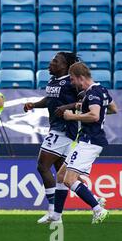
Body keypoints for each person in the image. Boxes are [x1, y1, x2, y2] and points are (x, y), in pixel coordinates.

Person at [50, 62, 117, 224]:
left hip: (90, 141)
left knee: (69, 180)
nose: (72, 83)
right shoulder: (101, 90)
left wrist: (72, 116)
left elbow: (94, 116)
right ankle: (56, 215)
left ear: (81, 78)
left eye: (72, 79)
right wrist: (85, 106)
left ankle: (98, 209)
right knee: (60, 175)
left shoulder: (93, 93)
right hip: (86, 141)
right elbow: (113, 108)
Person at [23, 52, 80, 223]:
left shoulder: (71, 81)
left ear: (65, 66)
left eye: (55, 61)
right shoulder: (53, 81)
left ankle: (52, 211)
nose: (51, 63)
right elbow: (50, 100)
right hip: (57, 128)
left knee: (42, 166)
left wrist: (67, 107)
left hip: (63, 129)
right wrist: (34, 105)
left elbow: (84, 98)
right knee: (60, 172)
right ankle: (95, 204)